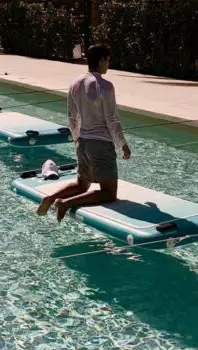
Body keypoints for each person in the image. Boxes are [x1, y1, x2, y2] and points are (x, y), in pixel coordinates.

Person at [38, 43, 130, 223]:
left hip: (83, 142)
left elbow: (72, 116)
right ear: (102, 60)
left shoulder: (75, 83)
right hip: (100, 144)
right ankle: (64, 203)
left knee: (82, 185)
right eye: (108, 60)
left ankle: (48, 199)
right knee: (109, 193)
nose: (108, 65)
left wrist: (76, 138)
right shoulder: (105, 86)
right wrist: (123, 145)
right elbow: (112, 120)